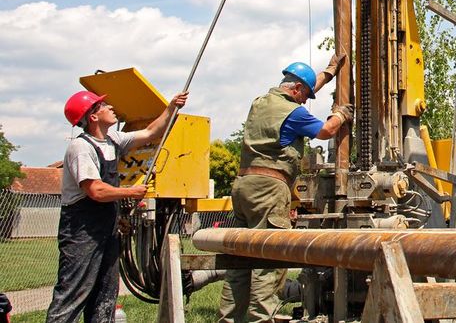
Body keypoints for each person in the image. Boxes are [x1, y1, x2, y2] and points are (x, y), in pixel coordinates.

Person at [219, 56, 352, 323]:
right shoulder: (294, 112)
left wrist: (328, 71)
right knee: (268, 259)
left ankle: (229, 318)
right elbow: (326, 131)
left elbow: (302, 89)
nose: (305, 102)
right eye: (305, 96)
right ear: (296, 90)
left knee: (239, 260)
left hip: (243, 187)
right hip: (268, 190)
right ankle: (261, 319)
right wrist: (341, 114)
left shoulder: (260, 103)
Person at [47, 88, 189, 323]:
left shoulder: (112, 141)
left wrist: (172, 106)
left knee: (105, 295)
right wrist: (130, 192)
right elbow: (95, 190)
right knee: (73, 293)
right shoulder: (81, 149)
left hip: (106, 230)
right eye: (104, 106)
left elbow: (151, 132)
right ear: (93, 116)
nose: (111, 108)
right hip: (81, 234)